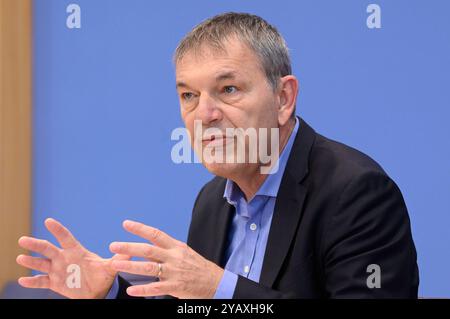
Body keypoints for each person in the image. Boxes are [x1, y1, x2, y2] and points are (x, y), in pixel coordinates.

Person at [17, 12, 419, 299]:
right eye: (188, 96)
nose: (204, 115)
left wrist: (219, 289)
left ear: (283, 98)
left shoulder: (356, 192)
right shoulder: (212, 201)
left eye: (228, 89)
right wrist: (108, 292)